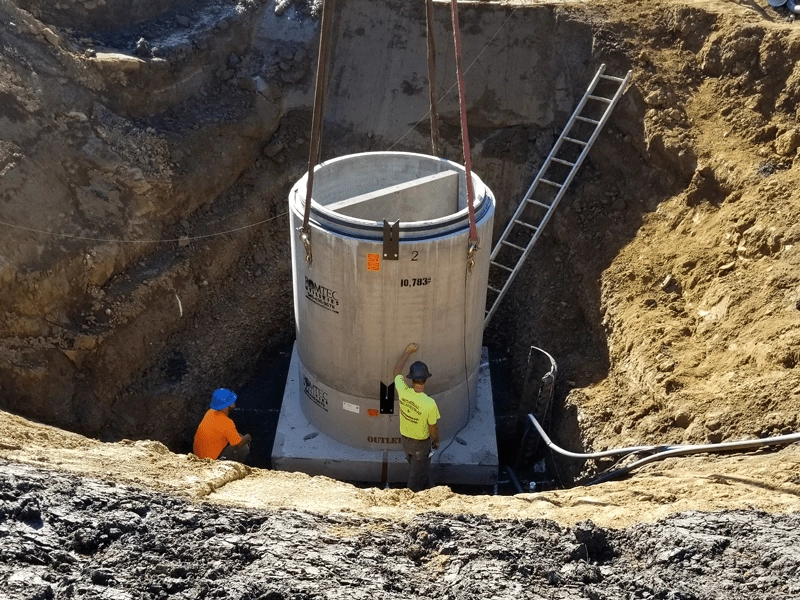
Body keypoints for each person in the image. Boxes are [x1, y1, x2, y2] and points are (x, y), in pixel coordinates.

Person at [393, 343, 441, 492]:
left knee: (419, 471)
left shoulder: (403, 391)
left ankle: (432, 491)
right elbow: (432, 427)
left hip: (405, 442)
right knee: (415, 481)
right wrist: (436, 440)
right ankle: (413, 504)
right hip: (421, 445)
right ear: (425, 380)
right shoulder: (429, 403)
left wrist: (407, 352)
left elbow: (396, 372)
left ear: (412, 380)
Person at [193, 388, 251, 463]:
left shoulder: (210, 412)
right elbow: (238, 444)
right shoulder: (227, 423)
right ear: (226, 407)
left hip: (199, 454)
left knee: (237, 436)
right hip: (210, 461)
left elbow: (221, 430)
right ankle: (231, 465)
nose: (234, 402)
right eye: (232, 401)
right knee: (244, 448)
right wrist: (248, 437)